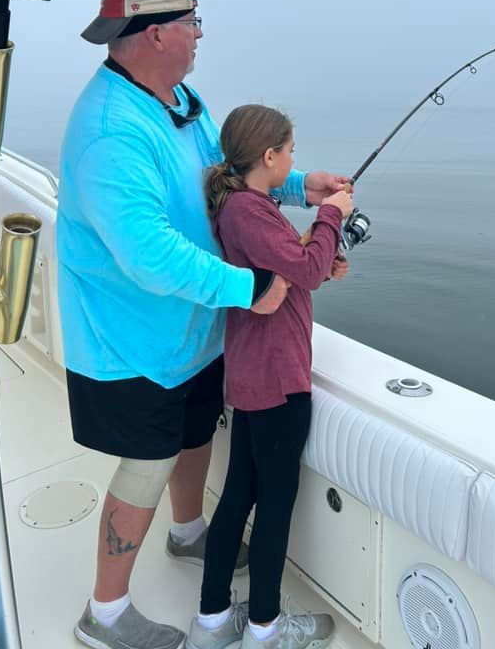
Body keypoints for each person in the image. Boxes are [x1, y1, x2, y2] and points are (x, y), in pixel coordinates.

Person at [57, 0, 351, 649]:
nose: (197, 37)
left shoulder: (177, 97)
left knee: (196, 436)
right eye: (193, 25)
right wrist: (248, 289)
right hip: (131, 342)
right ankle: (103, 615)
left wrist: (303, 184)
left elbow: (226, 163)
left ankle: (188, 534)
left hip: (192, 330)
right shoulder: (110, 130)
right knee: (146, 465)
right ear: (157, 33)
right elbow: (148, 253)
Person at [186, 104, 352, 649]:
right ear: (269, 156)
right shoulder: (249, 212)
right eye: (291, 152)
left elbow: (288, 267)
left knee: (239, 493)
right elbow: (298, 268)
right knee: (275, 504)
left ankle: (212, 621)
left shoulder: (239, 206)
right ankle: (264, 627)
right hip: (278, 379)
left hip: (251, 374)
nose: (295, 161)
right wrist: (331, 217)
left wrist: (323, 256)